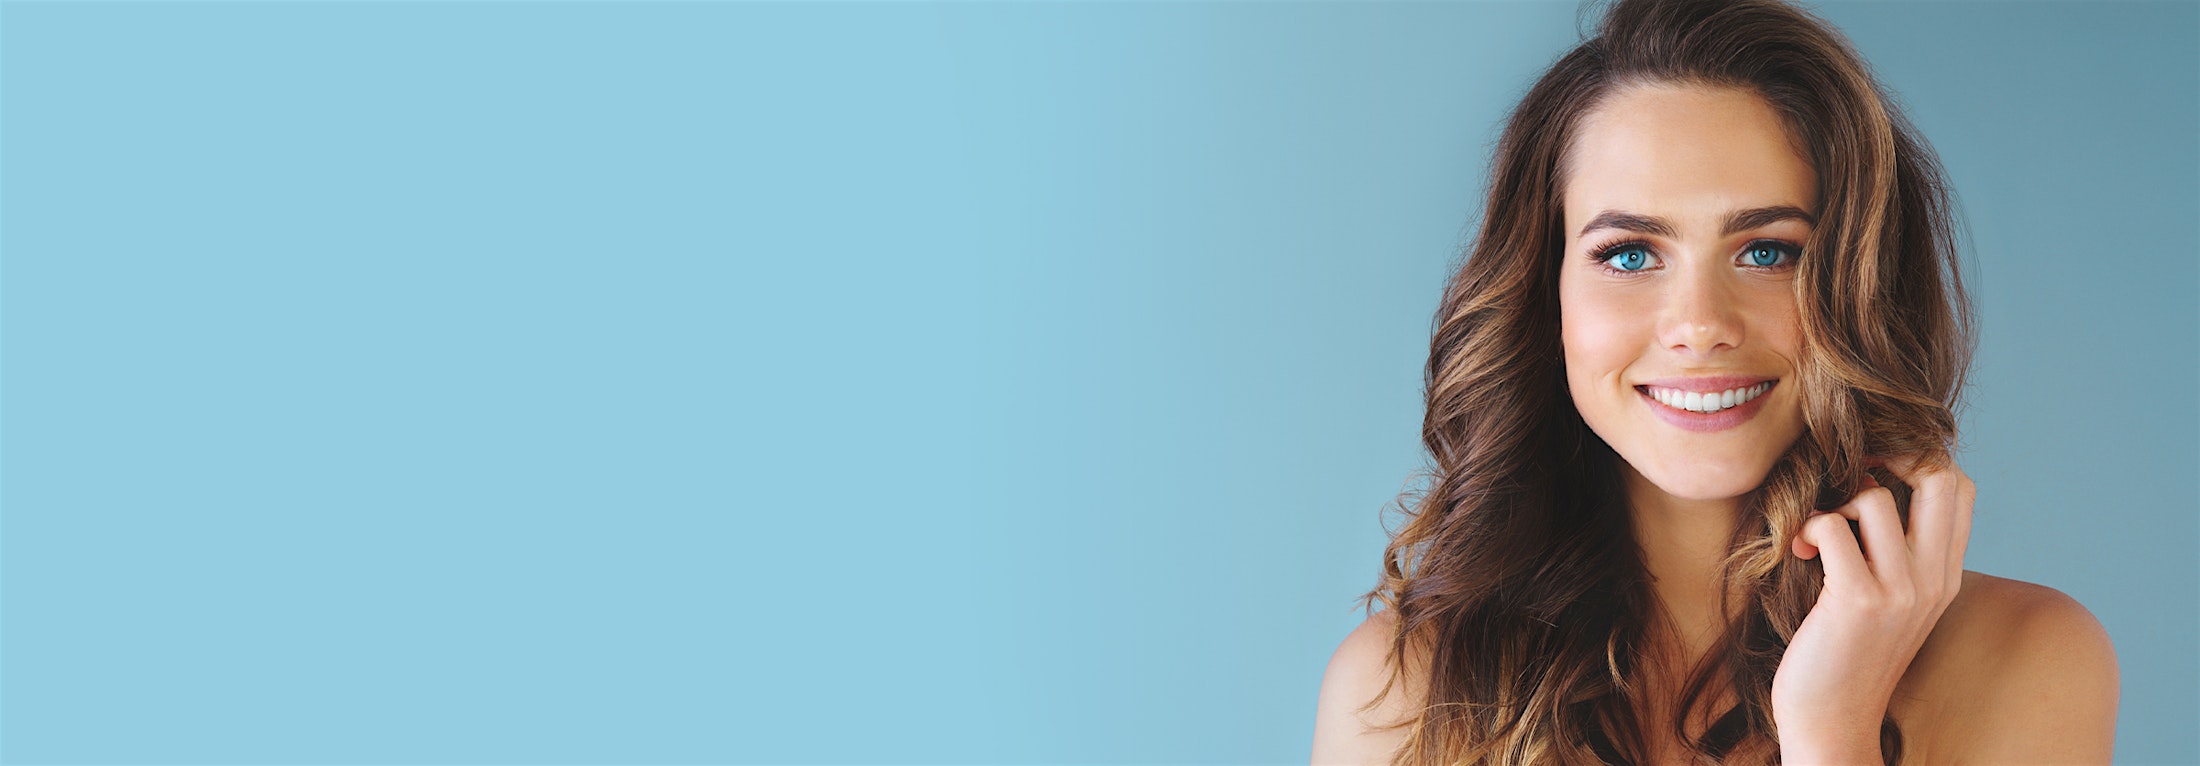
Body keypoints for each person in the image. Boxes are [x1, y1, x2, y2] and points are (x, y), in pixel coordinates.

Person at [1308, 0, 2119, 763]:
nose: (1699, 324)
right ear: (1543, 296)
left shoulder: (2033, 658)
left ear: (1862, 288)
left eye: (1768, 251)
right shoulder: (1399, 689)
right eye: (1629, 255)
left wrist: (1832, 729)